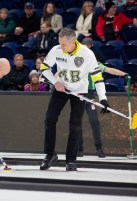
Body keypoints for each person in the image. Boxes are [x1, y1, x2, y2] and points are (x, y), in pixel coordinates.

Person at [39, 28, 109, 171]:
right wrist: (55, 82)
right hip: (61, 88)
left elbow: (97, 77)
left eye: (64, 44)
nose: (61, 47)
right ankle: (50, 154)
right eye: (60, 43)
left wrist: (103, 98)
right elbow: (44, 68)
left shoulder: (87, 54)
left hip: (79, 91)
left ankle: (71, 160)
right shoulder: (56, 50)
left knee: (75, 124)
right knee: (49, 119)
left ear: (73, 41)